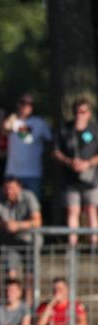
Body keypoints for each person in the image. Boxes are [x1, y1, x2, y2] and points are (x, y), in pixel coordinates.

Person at [0, 177, 42, 296]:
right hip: (10, 242)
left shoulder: (29, 196)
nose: (9, 191)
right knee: (9, 276)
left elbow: (37, 221)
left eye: (12, 188)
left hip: (30, 241)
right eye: (6, 188)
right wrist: (4, 224)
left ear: (20, 187)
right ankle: (9, 306)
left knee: (30, 276)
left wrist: (19, 225)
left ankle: (29, 309)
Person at [54, 98, 98, 246]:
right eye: (76, 111)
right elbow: (56, 151)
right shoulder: (65, 129)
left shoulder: (94, 130)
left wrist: (88, 163)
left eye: (83, 111)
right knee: (73, 211)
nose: (79, 114)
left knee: (91, 210)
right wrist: (69, 162)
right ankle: (72, 246)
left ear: (89, 113)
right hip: (70, 179)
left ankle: (94, 246)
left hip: (90, 178)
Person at [4, 93, 51, 199]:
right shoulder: (13, 121)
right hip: (13, 172)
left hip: (33, 172)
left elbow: (50, 141)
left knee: (33, 205)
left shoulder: (40, 123)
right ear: (18, 104)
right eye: (23, 103)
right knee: (12, 204)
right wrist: (11, 119)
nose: (25, 106)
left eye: (29, 104)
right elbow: (4, 131)